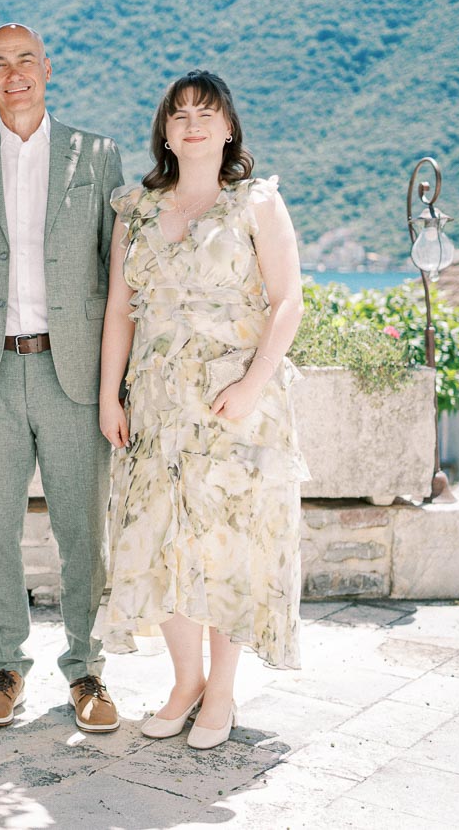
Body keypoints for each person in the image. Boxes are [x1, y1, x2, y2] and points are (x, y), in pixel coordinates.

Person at [99, 70, 306, 750]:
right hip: (156, 404)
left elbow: (287, 303)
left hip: (232, 403)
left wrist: (251, 385)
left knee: (229, 545)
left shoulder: (256, 204)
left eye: (206, 112)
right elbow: (119, 312)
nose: (192, 122)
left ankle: (222, 689)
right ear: (165, 131)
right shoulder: (136, 209)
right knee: (161, 541)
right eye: (179, 113)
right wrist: (110, 393)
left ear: (228, 129)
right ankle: (184, 681)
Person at [0, 23, 124, 732]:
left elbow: (117, 273)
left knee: (83, 531)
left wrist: (115, 380)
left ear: (48, 70)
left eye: (25, 62)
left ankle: (88, 669)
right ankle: (3, 667)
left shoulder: (98, 155)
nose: (14, 74)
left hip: (73, 372)